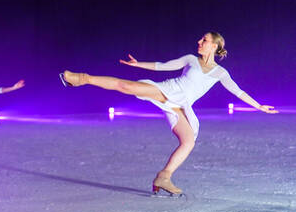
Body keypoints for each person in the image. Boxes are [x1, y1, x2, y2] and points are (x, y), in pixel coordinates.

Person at [60, 31, 278, 195]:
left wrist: (258, 106)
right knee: (125, 86)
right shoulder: (191, 59)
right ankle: (81, 78)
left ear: (214, 45)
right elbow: (162, 66)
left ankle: (164, 177)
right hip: (166, 91)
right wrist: (138, 64)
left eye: (204, 40)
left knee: (188, 142)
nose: (199, 42)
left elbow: (237, 91)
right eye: (200, 40)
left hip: (180, 106)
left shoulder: (221, 73)